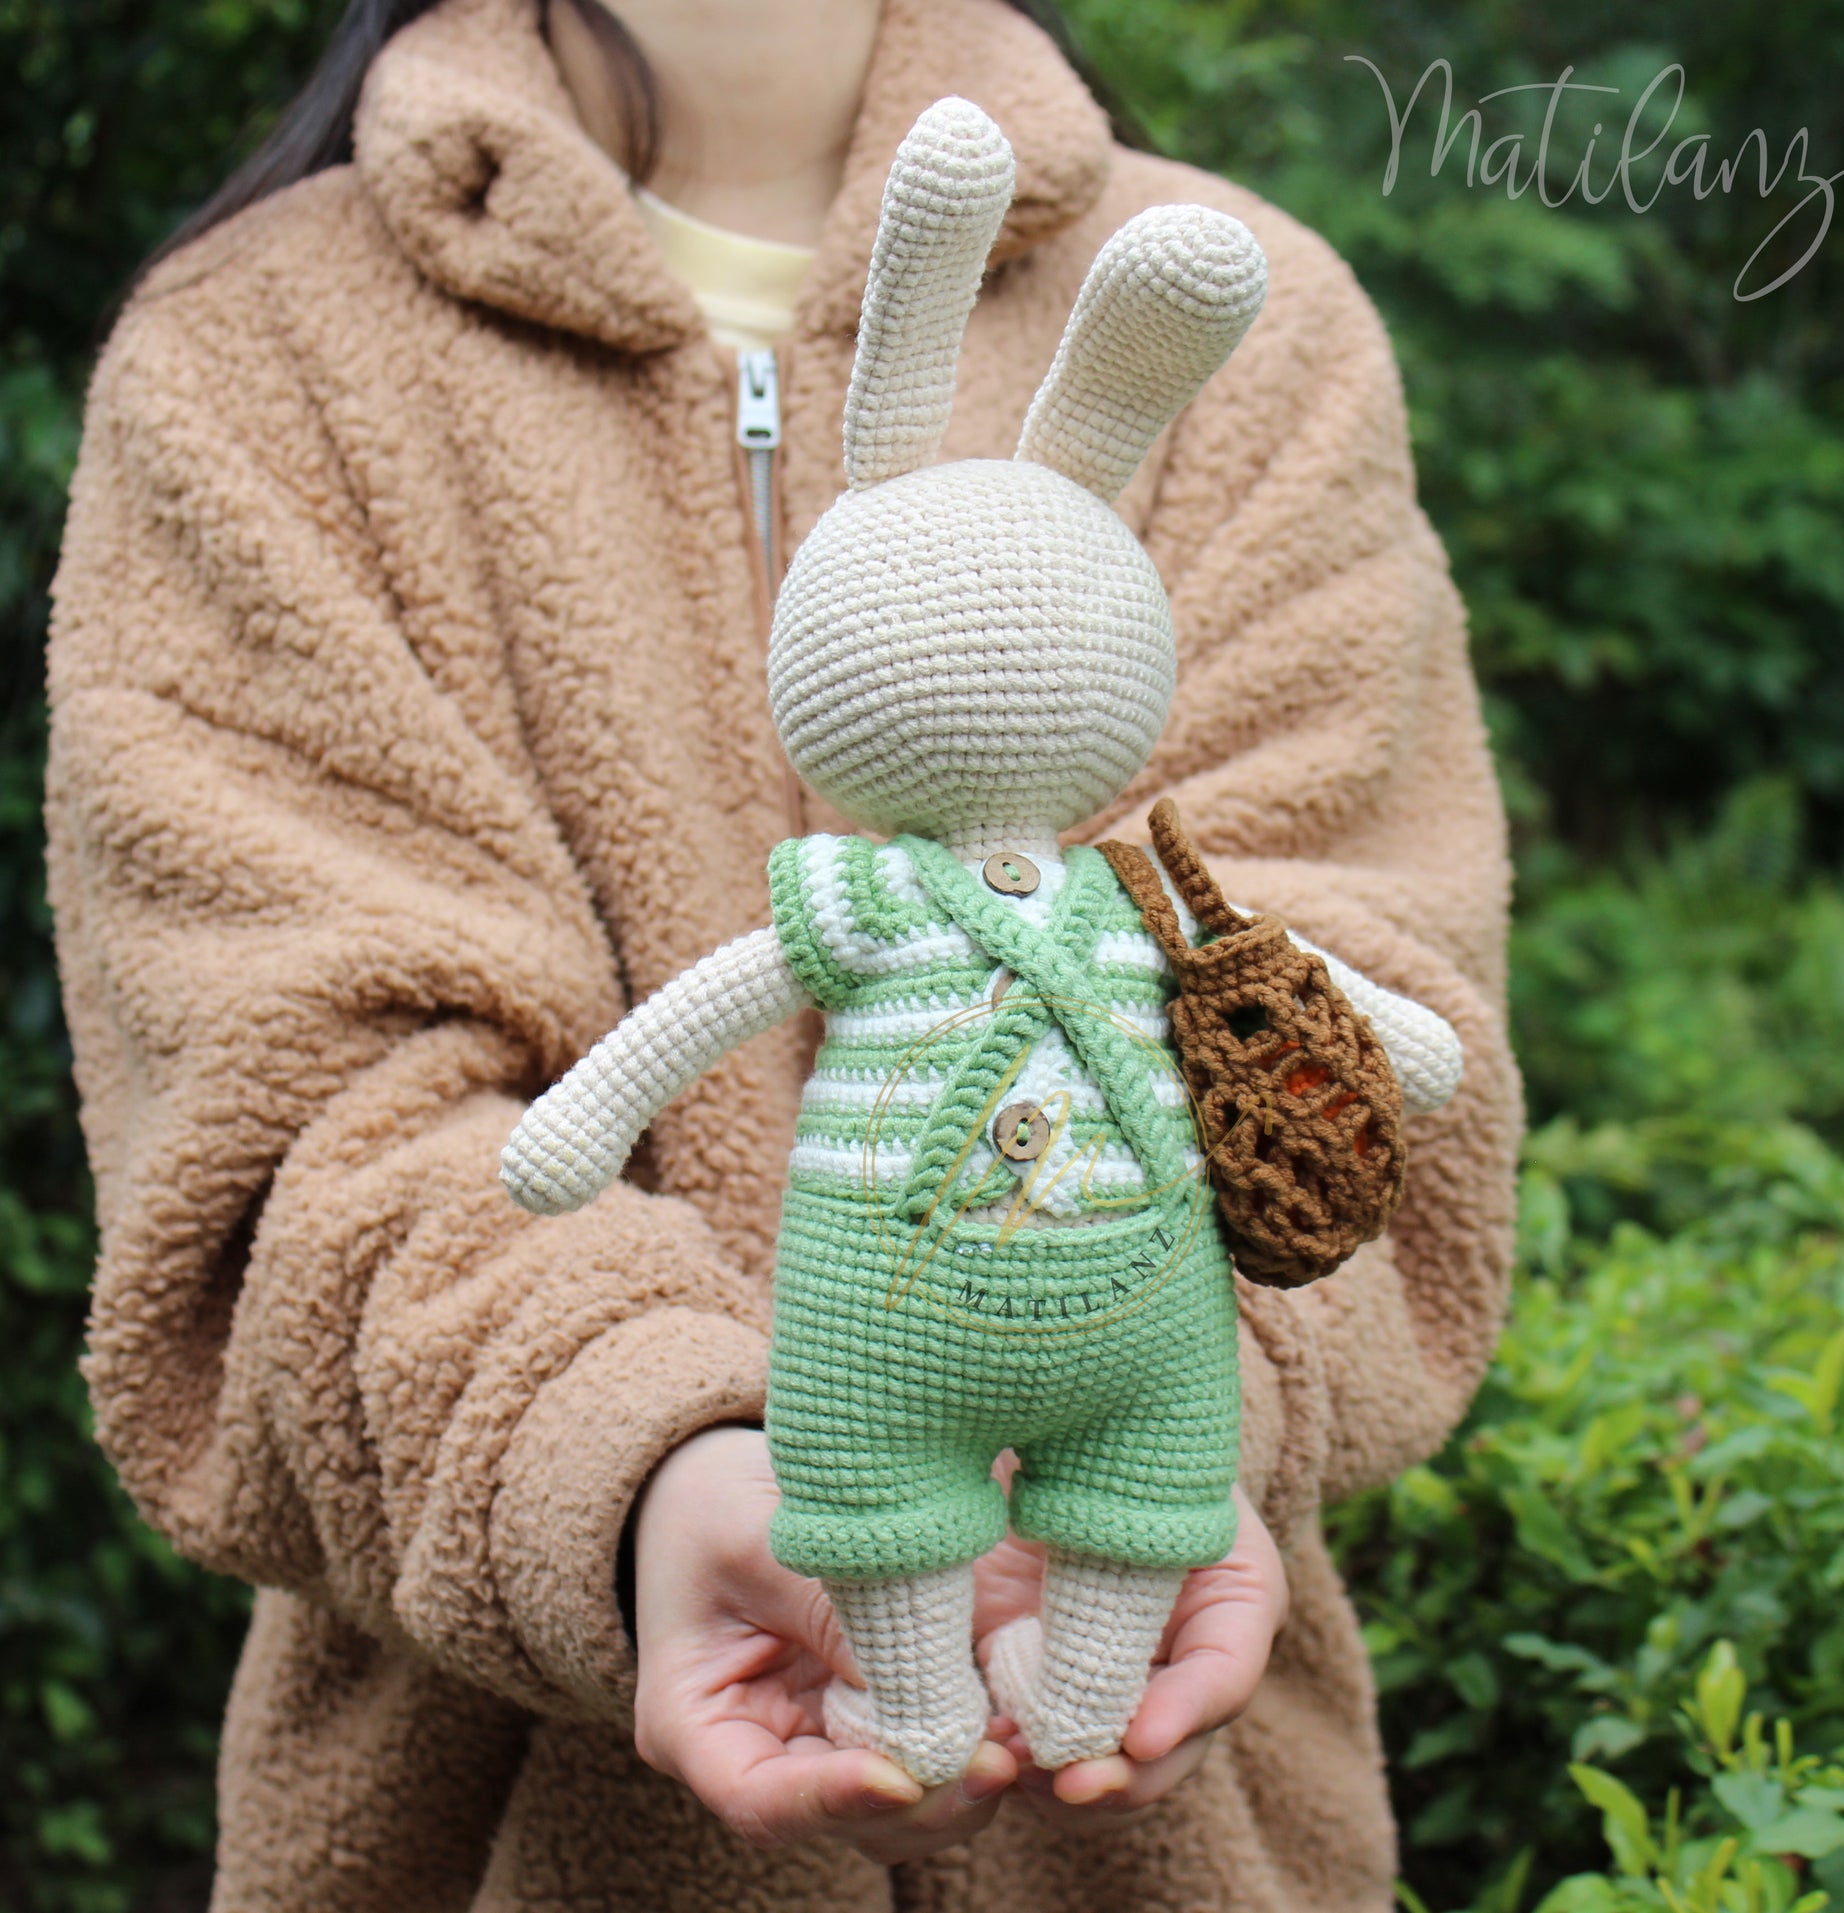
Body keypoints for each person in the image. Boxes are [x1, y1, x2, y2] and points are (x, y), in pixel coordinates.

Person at [44, 0, 1522, 1907]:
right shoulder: (254, 362)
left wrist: (1142, 1390)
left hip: (1172, 1838)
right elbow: (275, 1124)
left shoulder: (1256, 336)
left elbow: (1339, 1041)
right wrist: (643, 1463)